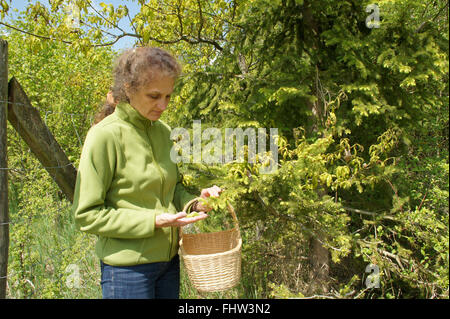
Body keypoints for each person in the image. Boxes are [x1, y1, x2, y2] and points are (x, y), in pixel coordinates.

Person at [72, 46, 222, 299]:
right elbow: (86, 215)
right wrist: (153, 221)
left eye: (168, 96)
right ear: (129, 88)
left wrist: (197, 203)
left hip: (168, 264)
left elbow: (173, 189)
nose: (163, 105)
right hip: (126, 271)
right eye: (154, 96)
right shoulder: (104, 136)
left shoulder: (164, 132)